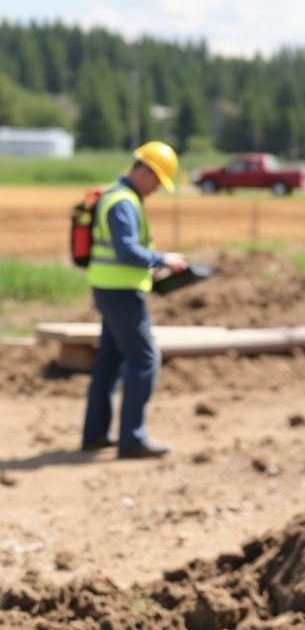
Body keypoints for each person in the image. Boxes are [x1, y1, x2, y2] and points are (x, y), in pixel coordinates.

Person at [81, 140, 188, 460]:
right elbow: (126, 251)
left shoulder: (117, 196)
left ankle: (96, 435)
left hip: (111, 289)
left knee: (109, 362)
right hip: (120, 293)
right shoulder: (123, 202)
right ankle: (132, 439)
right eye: (157, 180)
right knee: (144, 360)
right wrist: (162, 259)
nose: (156, 188)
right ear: (143, 170)